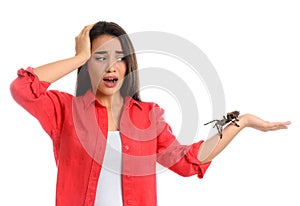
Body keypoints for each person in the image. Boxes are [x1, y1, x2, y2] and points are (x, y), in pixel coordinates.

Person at [10, 21, 291, 206]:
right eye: (100, 57)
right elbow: (23, 87)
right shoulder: (64, 110)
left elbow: (188, 162)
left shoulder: (148, 116)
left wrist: (243, 122)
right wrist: (78, 57)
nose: (111, 66)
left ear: (128, 64)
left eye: (119, 57)